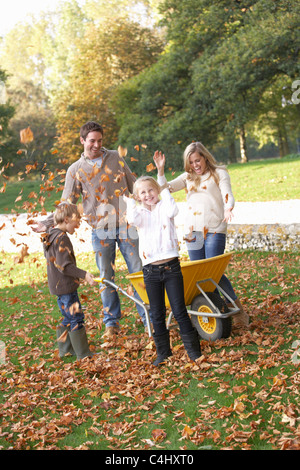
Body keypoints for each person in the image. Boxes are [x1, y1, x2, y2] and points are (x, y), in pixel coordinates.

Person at [33, 121, 147, 337]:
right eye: (92, 140)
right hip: (100, 230)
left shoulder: (115, 157)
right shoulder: (75, 170)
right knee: (106, 277)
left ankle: (147, 315)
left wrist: (153, 199)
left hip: (126, 226)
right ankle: (111, 323)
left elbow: (134, 185)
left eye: (100, 140)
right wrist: (48, 223)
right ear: (82, 140)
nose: (96, 145)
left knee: (137, 271)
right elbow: (66, 204)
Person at [154, 143, 249, 330]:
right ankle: (211, 312)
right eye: (191, 162)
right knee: (199, 275)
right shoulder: (188, 177)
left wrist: (229, 207)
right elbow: (163, 188)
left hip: (214, 228)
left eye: (198, 160)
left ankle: (238, 312)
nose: (195, 165)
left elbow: (227, 192)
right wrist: (160, 170)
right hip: (193, 232)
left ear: (205, 157)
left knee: (214, 272)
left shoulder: (219, 173)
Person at [124, 175, 202, 366]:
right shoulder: (140, 214)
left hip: (171, 268)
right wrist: (129, 202)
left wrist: (161, 175)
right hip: (150, 271)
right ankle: (163, 353)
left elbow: (173, 209)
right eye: (143, 192)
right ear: (138, 196)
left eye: (151, 190)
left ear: (158, 190)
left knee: (179, 310)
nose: (148, 194)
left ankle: (193, 351)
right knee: (157, 313)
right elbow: (131, 218)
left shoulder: (164, 207)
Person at [43, 202, 96, 360]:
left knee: (67, 317)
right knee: (76, 318)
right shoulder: (62, 238)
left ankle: (66, 350)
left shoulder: (50, 235)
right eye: (76, 221)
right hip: (66, 287)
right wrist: (84, 274)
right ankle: (84, 354)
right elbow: (65, 266)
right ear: (66, 219)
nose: (78, 225)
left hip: (58, 287)